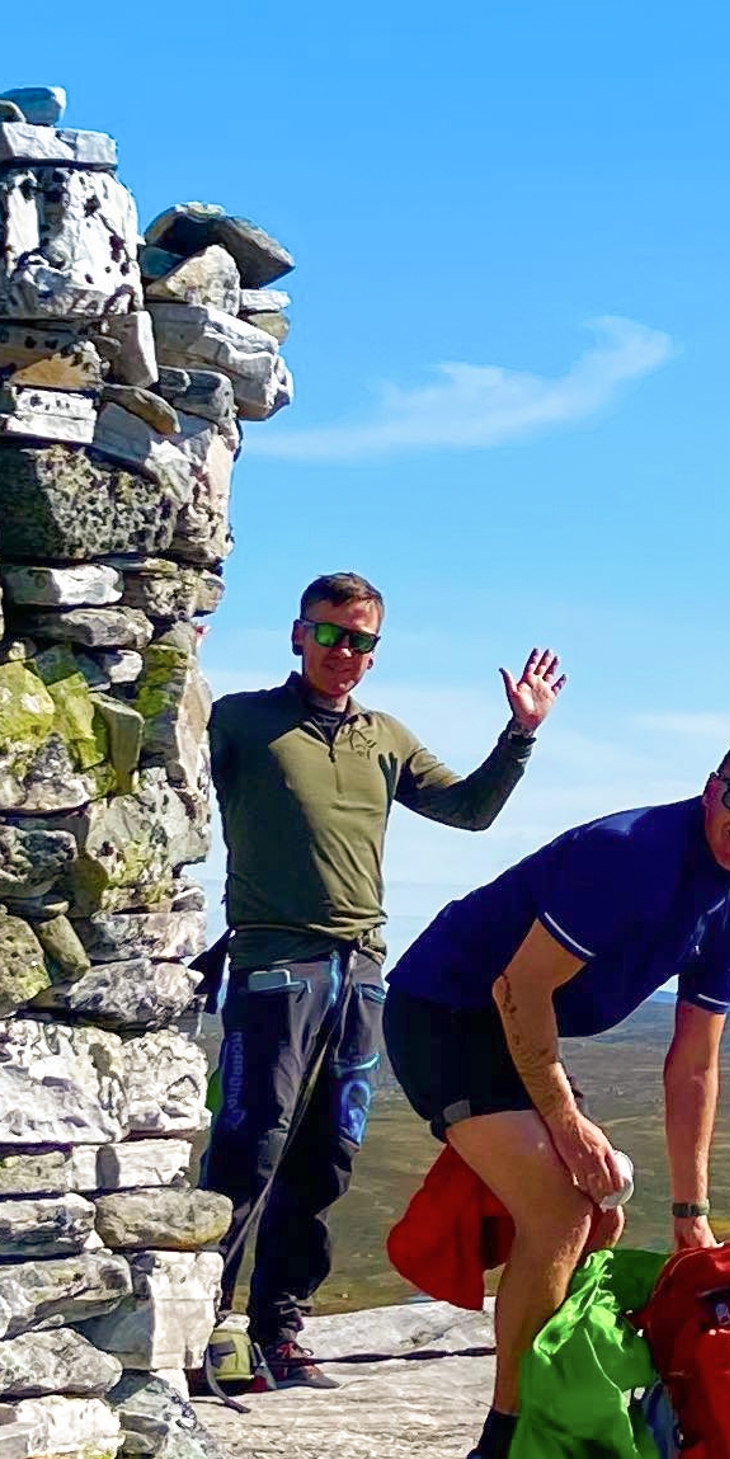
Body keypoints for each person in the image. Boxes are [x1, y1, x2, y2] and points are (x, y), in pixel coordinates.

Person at [383, 732, 730, 1459]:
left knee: (604, 1210)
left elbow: (694, 1065)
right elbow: (520, 988)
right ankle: (502, 1453)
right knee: (559, 1205)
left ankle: (560, 1398)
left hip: (515, 1025)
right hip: (447, 1010)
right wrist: (566, 1124)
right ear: (711, 787)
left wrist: (692, 1215)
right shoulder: (632, 855)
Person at [200, 572, 566, 1392]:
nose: (344, 653)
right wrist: (177, 678)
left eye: (360, 641)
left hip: (361, 971)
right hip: (274, 965)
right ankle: (202, 1327)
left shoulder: (385, 737)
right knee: (250, 1144)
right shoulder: (242, 721)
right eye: (330, 634)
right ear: (299, 635)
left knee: (327, 1154)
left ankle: (279, 1331)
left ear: (374, 652)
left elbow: (470, 811)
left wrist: (520, 733)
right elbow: (170, 769)